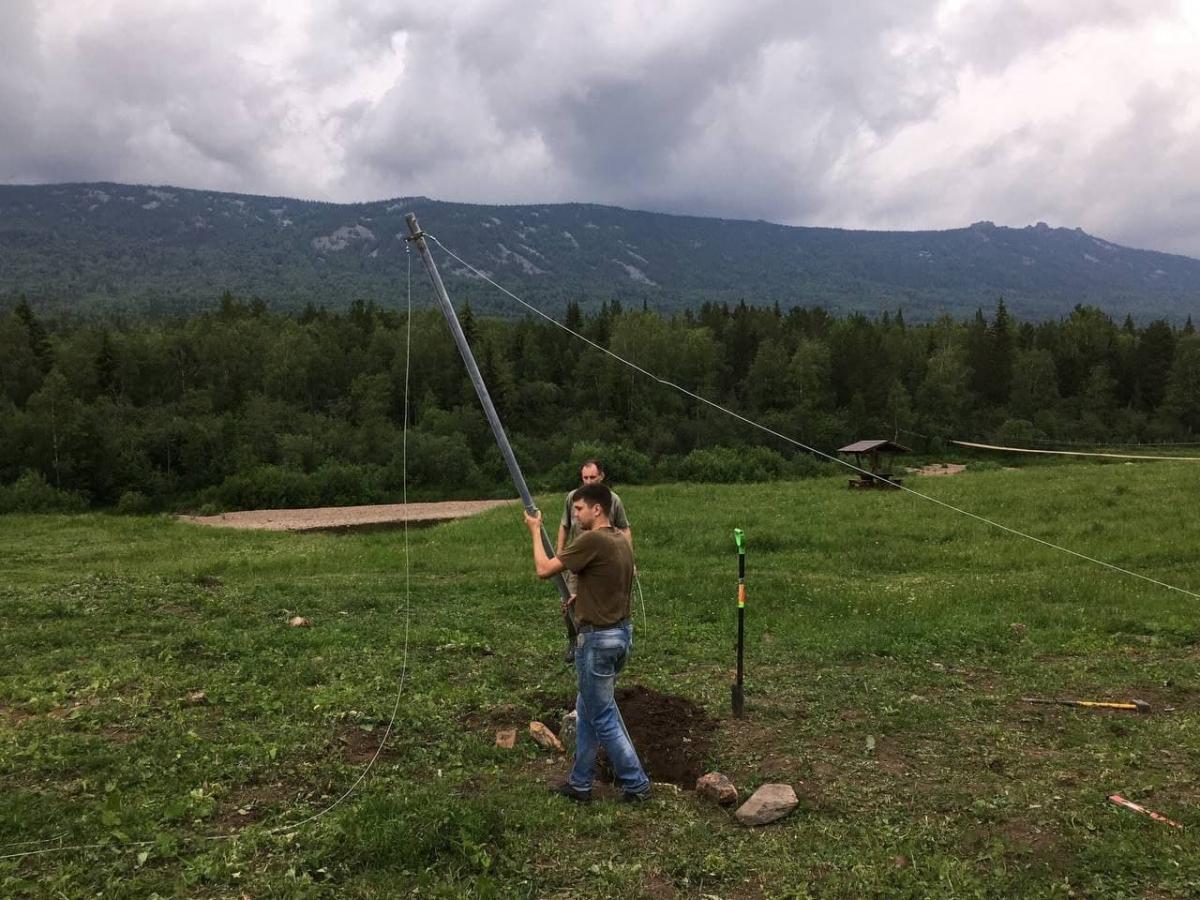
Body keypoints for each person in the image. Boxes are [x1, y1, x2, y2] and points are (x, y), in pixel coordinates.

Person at [525, 482, 652, 803]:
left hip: (597, 641)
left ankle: (636, 784)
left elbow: (544, 569)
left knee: (603, 716)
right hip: (621, 634)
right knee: (588, 709)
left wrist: (535, 529)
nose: (575, 514)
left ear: (598, 509)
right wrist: (583, 597)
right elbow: (612, 583)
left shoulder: (591, 539)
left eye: (579, 509)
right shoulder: (619, 540)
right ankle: (581, 783)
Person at [556, 459, 631, 662]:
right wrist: (559, 553)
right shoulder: (573, 497)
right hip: (576, 560)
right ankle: (575, 640)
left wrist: (629, 559)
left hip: (602, 563)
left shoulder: (612, 500)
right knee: (570, 602)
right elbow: (564, 525)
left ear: (601, 477)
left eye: (592, 477)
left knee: (600, 602)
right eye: (584, 478)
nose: (588, 482)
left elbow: (624, 529)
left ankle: (602, 640)